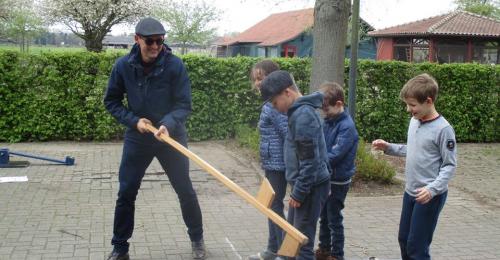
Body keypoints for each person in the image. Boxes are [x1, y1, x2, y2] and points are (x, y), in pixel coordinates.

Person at [104, 17, 205, 260]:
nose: (156, 46)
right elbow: (112, 101)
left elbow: (184, 104)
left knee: (185, 189)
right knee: (126, 191)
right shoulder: (122, 67)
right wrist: (134, 121)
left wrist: (168, 124)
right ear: (137, 39)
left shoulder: (174, 66)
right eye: (150, 41)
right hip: (138, 136)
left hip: (171, 136)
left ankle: (197, 239)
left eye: (160, 41)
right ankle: (120, 248)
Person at [372, 73, 457, 260]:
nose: (408, 109)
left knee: (417, 248)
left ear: (428, 101)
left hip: (429, 197)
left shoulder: (444, 130)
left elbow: (450, 165)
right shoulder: (414, 121)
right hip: (410, 192)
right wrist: (389, 147)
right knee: (404, 240)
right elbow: (414, 149)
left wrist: (432, 189)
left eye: (412, 105)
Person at [260, 70, 330, 260]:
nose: (275, 108)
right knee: (292, 239)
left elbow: (310, 161)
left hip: (310, 188)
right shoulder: (298, 113)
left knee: (300, 245)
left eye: (275, 103)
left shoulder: (303, 116)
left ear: (287, 93)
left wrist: (299, 192)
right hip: (307, 186)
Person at [248, 60, 288, 260]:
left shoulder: (274, 106)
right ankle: (273, 249)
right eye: (255, 79)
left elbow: (287, 134)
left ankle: (281, 252)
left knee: (274, 206)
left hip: (278, 165)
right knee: (271, 204)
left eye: (261, 78)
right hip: (271, 162)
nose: (257, 83)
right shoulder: (269, 103)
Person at [315, 82, 359, 260]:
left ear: (339, 104)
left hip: (338, 181)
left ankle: (337, 255)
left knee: (334, 219)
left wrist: (317, 162)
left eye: (327, 109)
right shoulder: (329, 121)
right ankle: (324, 249)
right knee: (324, 217)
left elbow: (336, 154)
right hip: (327, 178)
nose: (324, 113)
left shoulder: (346, 127)